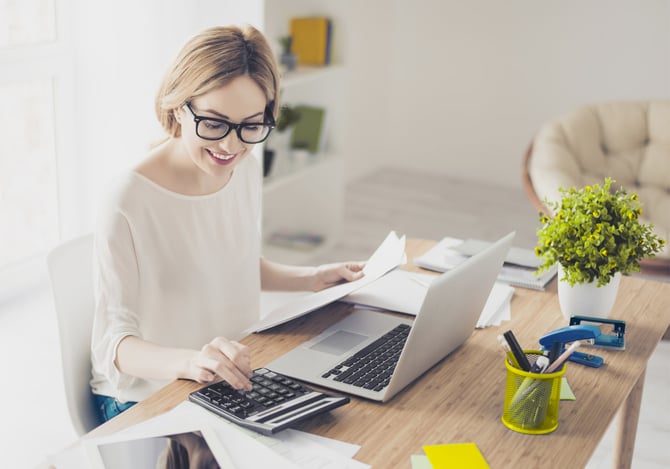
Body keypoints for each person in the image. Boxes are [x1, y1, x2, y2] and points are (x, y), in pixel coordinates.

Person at [90, 24, 364, 422]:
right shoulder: (128, 198)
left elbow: (233, 265)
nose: (231, 146)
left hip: (230, 383)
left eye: (251, 126)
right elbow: (112, 345)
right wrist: (191, 362)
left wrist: (312, 277)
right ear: (179, 106)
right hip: (148, 397)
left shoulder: (244, 170)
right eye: (214, 123)